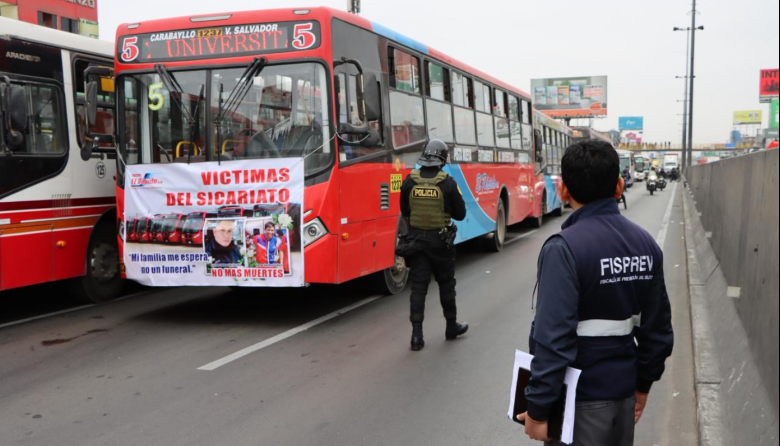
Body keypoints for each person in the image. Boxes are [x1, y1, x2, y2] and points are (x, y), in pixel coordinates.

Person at [519, 140, 674, 445]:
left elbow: (553, 338)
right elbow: (657, 330)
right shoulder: (646, 245)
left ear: (563, 190)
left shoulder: (564, 249)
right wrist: (642, 386)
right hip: (624, 395)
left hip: (578, 403)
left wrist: (537, 410)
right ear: (619, 186)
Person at [400, 140, 469, 352]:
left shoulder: (409, 181)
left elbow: (405, 211)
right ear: (442, 160)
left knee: (419, 287)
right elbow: (460, 214)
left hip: (417, 243)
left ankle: (416, 336)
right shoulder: (448, 183)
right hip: (441, 243)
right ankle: (451, 327)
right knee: (446, 285)